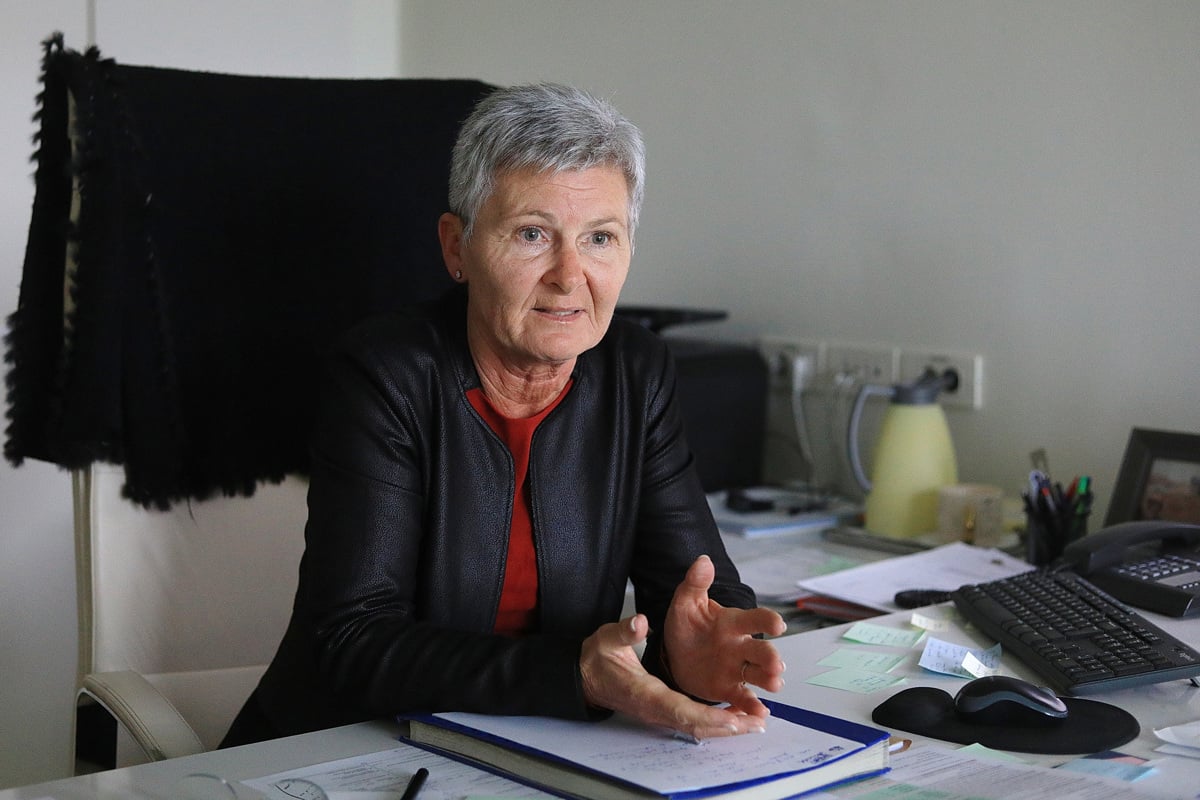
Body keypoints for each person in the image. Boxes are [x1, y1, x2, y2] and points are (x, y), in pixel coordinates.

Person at [222, 82, 786, 748]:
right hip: (342, 747)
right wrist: (574, 675)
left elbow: (694, 585)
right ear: (456, 247)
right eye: (532, 234)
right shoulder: (385, 373)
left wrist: (694, 649)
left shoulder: (636, 372)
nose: (569, 275)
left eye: (600, 237)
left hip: (541, 746)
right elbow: (351, 639)